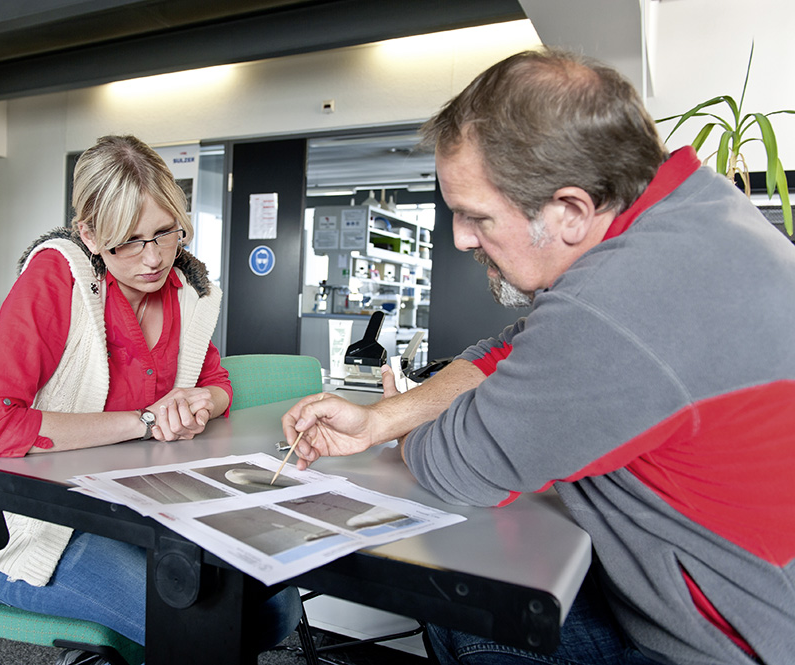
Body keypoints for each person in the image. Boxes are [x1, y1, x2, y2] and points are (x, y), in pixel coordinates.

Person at [283, 49, 795, 665]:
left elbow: (456, 465)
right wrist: (383, 419)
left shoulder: (617, 308)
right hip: (714, 601)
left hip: (726, 648)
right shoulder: (694, 212)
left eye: (477, 217)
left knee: (467, 600)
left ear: (571, 211)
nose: (461, 239)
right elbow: (510, 348)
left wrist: (408, 434)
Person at [0, 134, 300, 655]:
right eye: (128, 241)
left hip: (141, 505)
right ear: (89, 234)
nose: (154, 258)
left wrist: (202, 404)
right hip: (36, 524)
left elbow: (217, 383)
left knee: (275, 606)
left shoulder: (187, 292)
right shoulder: (55, 280)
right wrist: (148, 421)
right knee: (201, 619)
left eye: (165, 233)